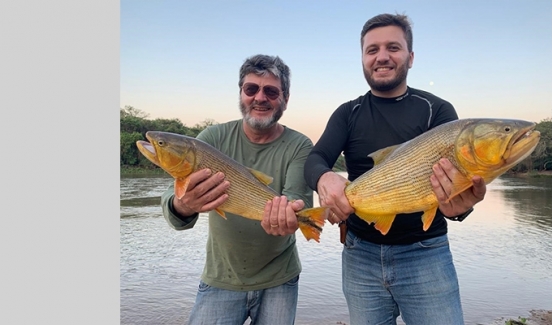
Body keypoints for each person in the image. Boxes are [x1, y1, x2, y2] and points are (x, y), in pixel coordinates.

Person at [303, 13, 487, 325]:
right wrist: (325, 177)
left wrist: (460, 209)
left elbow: (456, 197)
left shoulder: (438, 111)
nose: (382, 57)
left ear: (410, 57)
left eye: (393, 47)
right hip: (359, 255)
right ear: (362, 58)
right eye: (372, 49)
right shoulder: (348, 113)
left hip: (426, 253)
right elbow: (315, 158)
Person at [160, 54, 314, 324]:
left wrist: (292, 217)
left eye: (271, 91)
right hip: (221, 277)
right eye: (251, 89)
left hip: (280, 278)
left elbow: (300, 200)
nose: (260, 97)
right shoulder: (211, 139)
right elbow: (174, 211)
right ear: (241, 93)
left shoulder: (300, 145)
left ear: (285, 99)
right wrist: (183, 205)